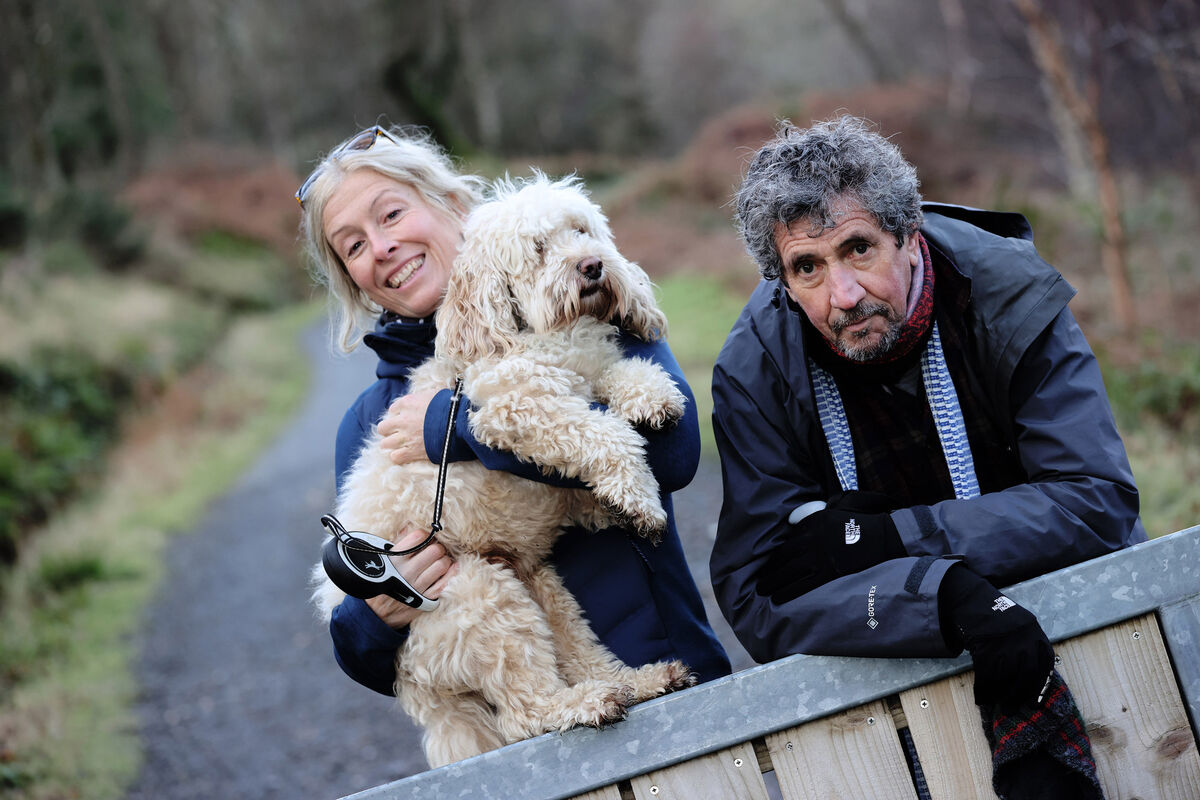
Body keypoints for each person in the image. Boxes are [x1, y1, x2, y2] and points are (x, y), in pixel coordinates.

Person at [710, 116, 1143, 797]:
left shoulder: (1007, 294)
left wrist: (890, 538)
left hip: (1093, 653)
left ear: (909, 236)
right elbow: (756, 595)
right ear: (782, 284)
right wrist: (942, 594)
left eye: (858, 249)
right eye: (807, 268)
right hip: (901, 685)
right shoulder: (755, 369)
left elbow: (1097, 501)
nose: (842, 296)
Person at [296, 124, 731, 704]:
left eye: (392, 215)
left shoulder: (583, 300)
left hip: (667, 675)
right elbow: (366, 660)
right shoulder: (371, 420)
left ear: (452, 205)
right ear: (353, 280)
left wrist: (455, 429)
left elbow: (672, 457)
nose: (380, 248)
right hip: (527, 737)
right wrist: (372, 615)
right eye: (352, 246)